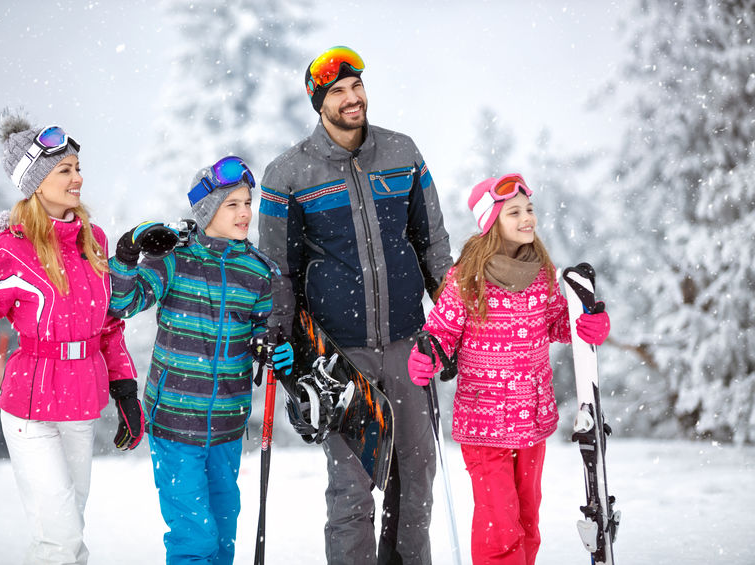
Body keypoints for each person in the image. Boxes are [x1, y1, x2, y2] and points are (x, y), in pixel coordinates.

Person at [258, 46, 453, 564]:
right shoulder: (288, 175)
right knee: (351, 490)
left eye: (356, 86)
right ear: (318, 103)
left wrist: (450, 324)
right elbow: (279, 269)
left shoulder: (402, 153)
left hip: (409, 345)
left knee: (415, 483)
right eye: (338, 91)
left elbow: (432, 243)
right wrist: (283, 342)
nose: (352, 98)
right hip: (338, 357)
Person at [0, 112, 142, 564]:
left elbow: (108, 324)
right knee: (61, 537)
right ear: (36, 181)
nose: (78, 179)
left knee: (67, 531)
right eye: (65, 170)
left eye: (78, 168)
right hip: (32, 407)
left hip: (82, 401)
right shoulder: (10, 249)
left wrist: (124, 386)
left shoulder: (94, 240)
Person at [407, 173, 611, 565]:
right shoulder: (466, 278)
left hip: (531, 420)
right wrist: (428, 355)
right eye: (514, 211)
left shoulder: (542, 276)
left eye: (529, 209)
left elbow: (556, 323)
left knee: (527, 519)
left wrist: (584, 325)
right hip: (483, 423)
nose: (527, 218)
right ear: (492, 222)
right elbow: (442, 332)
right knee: (499, 525)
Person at [107, 156, 294, 565]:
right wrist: (126, 253)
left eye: (248, 202)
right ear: (208, 210)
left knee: (224, 534)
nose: (245, 212)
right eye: (233, 204)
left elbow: (265, 335)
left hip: (228, 424)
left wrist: (274, 350)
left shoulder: (259, 271)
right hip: (174, 422)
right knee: (195, 536)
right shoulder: (175, 259)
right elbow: (121, 302)